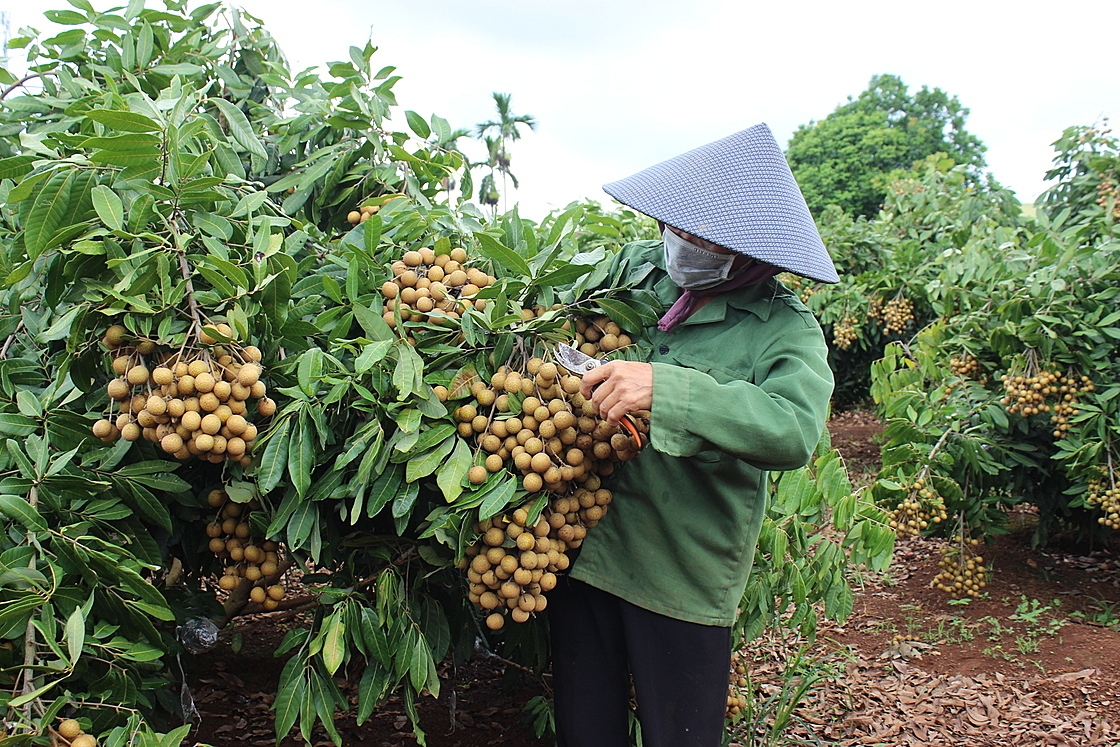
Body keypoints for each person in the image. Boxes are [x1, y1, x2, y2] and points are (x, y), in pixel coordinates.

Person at [548, 123, 838, 747]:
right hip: (587, 548)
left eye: (700, 235)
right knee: (585, 730)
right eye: (675, 226)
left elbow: (792, 431)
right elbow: (560, 325)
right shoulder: (634, 274)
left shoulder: (784, 331)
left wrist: (669, 388)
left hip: (680, 570)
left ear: (747, 250)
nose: (679, 243)